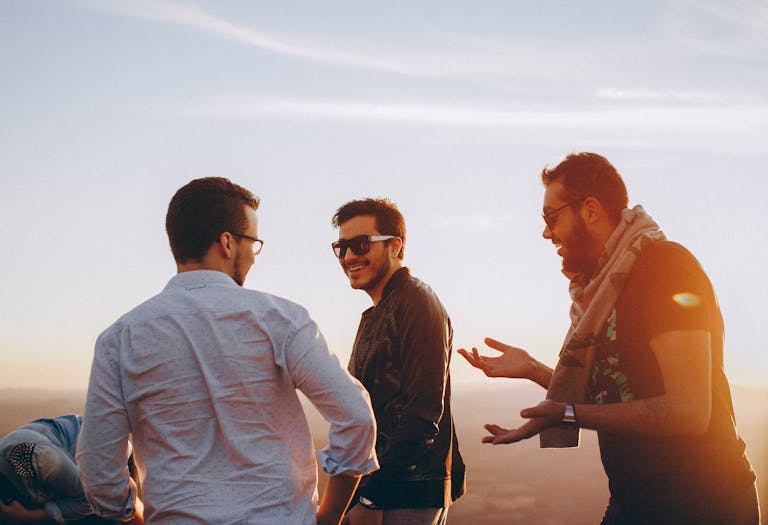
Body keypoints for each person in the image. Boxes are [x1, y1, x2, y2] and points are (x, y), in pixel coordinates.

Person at [459, 152, 759, 525]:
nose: (546, 232)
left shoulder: (665, 267)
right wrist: (534, 369)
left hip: (703, 503)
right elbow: (618, 392)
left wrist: (568, 414)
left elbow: (688, 411)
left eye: (552, 217)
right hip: (634, 500)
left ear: (590, 210)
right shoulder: (601, 292)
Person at [76, 177, 378, 525]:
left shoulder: (119, 339)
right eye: (253, 242)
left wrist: (133, 516)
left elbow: (98, 468)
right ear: (227, 242)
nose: (253, 255)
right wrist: (328, 517)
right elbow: (355, 417)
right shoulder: (281, 320)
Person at [331, 198, 466, 525]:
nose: (349, 256)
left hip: (403, 492)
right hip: (384, 489)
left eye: (361, 244)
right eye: (341, 247)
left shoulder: (416, 302)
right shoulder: (380, 311)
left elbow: (421, 413)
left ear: (395, 246)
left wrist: (370, 495)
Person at [0, 414, 130, 524]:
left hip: (104, 447)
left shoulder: (35, 456)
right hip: (67, 467)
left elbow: (90, 501)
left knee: (113, 513)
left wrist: (28, 517)